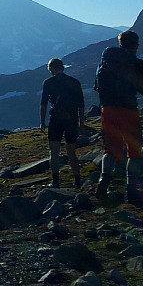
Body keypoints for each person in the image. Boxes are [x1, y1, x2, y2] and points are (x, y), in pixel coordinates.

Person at [93, 30, 143, 207]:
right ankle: (132, 190)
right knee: (133, 150)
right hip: (128, 109)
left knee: (111, 148)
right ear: (136, 45)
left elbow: (97, 86)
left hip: (108, 109)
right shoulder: (137, 64)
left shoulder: (104, 61)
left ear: (120, 43)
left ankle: (103, 182)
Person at [40, 58, 86, 189]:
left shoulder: (48, 83)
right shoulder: (74, 82)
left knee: (54, 151)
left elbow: (43, 103)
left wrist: (42, 122)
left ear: (52, 69)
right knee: (71, 151)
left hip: (56, 120)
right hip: (71, 119)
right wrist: (81, 124)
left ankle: (55, 181)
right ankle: (77, 181)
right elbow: (81, 106)